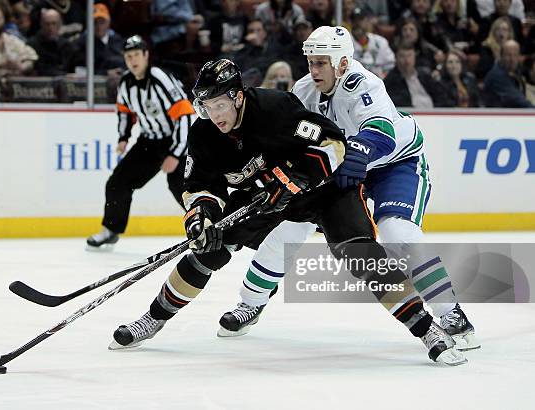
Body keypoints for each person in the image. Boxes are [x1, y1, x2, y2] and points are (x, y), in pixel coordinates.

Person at [108, 57, 467, 366]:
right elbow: (200, 186)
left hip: (326, 192)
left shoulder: (275, 108)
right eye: (206, 106)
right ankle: (151, 320)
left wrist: (295, 178)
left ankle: (426, 327)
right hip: (266, 195)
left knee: (360, 253)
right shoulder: (204, 134)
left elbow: (331, 144)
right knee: (208, 249)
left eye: (219, 105)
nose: (213, 114)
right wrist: (202, 216)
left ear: (237, 96)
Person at [216, 26, 479, 353]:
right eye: (311, 62)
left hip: (394, 164)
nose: (314, 71)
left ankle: (448, 311)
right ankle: (250, 303)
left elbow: (381, 133)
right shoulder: (304, 90)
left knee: (397, 233)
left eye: (321, 63)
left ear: (342, 64)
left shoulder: (364, 84)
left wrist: (353, 154)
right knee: (288, 229)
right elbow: (292, 139)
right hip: (342, 166)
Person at [86, 36, 196, 248]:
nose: (133, 60)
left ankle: (204, 224)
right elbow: (124, 111)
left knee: (180, 186)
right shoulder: (126, 83)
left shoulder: (160, 79)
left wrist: (175, 154)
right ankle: (111, 230)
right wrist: (124, 137)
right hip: (149, 141)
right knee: (118, 182)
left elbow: (185, 115)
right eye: (128, 56)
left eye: (137, 54)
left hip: (177, 141)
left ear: (146, 55)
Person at [383, 44, 451, 108]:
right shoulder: (391, 81)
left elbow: (441, 96)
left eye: (409, 55)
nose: (407, 60)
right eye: (402, 56)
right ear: (396, 58)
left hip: (434, 114)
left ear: (414, 57)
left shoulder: (425, 75)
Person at [70, 3, 124, 76]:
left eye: (102, 22)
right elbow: (79, 70)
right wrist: (106, 73)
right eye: (95, 22)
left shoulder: (117, 40)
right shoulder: (81, 43)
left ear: (108, 23)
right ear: (89, 23)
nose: (99, 26)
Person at [483, 39, 533, 107]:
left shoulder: (516, 72)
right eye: (508, 55)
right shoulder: (497, 76)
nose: (512, 59)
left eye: (515, 55)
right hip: (497, 116)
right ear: (500, 56)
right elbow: (518, 100)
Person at [27, 9, 75, 76]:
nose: (50, 28)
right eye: (47, 24)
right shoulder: (32, 44)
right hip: (40, 83)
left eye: (54, 23)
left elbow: (72, 68)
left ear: (59, 25)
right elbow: (38, 68)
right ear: (41, 24)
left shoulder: (67, 45)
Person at [350, 7, 395, 78]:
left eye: (361, 19)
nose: (357, 23)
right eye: (354, 20)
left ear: (367, 21)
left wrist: (383, 77)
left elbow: (391, 64)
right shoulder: (345, 42)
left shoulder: (380, 42)